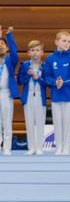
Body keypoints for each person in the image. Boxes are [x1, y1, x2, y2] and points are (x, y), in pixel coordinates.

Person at [44, 31, 70, 156]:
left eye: (69, 41)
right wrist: (55, 83)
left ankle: (66, 147)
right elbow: (47, 76)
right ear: (56, 42)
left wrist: (63, 83)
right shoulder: (50, 58)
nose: (67, 43)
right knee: (57, 123)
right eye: (64, 40)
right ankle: (58, 147)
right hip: (55, 97)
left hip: (68, 96)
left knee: (67, 122)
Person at [18, 40, 47, 155]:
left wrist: (38, 78)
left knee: (40, 122)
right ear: (28, 52)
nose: (35, 53)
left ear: (42, 53)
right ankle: (31, 147)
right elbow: (19, 81)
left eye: (37, 50)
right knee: (29, 122)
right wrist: (28, 75)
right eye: (33, 50)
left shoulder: (44, 66)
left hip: (40, 97)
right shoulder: (24, 65)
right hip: (28, 96)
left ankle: (39, 147)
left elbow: (48, 83)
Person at [0, 26, 20, 155]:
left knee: (7, 120)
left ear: (6, 48)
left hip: (6, 93)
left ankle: (7, 147)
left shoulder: (9, 60)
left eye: (2, 44)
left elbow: (14, 53)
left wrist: (9, 36)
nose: (0, 46)